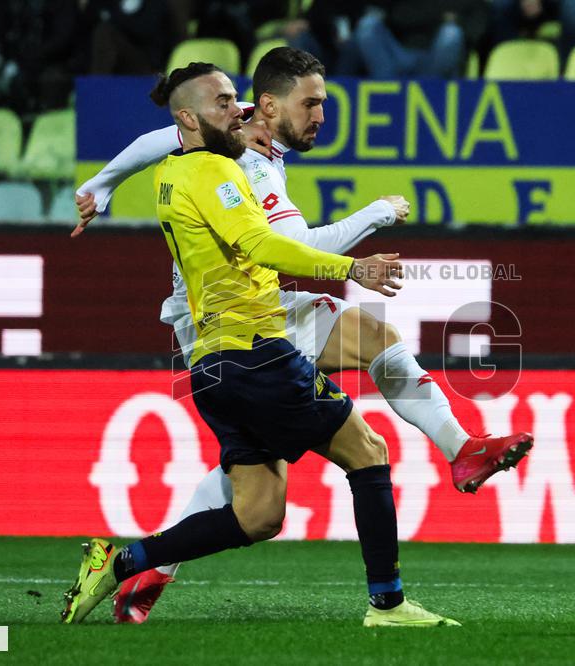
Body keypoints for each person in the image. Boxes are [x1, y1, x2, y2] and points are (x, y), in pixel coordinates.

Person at [75, 47, 532, 624]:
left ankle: (146, 566)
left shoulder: (225, 126)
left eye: (323, 103)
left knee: (259, 505)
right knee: (365, 429)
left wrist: (102, 185)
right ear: (270, 105)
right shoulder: (241, 161)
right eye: (310, 104)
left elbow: (155, 138)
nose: (320, 116)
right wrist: (375, 217)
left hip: (224, 327)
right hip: (238, 321)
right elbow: (293, 248)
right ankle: (401, 574)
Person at [351, 0, 489, 78]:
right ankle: (383, 89)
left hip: (435, 59)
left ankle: (431, 89)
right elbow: (397, 16)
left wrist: (457, 23)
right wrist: (440, 17)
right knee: (368, 25)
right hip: (396, 54)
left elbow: (478, 23)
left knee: (451, 33)